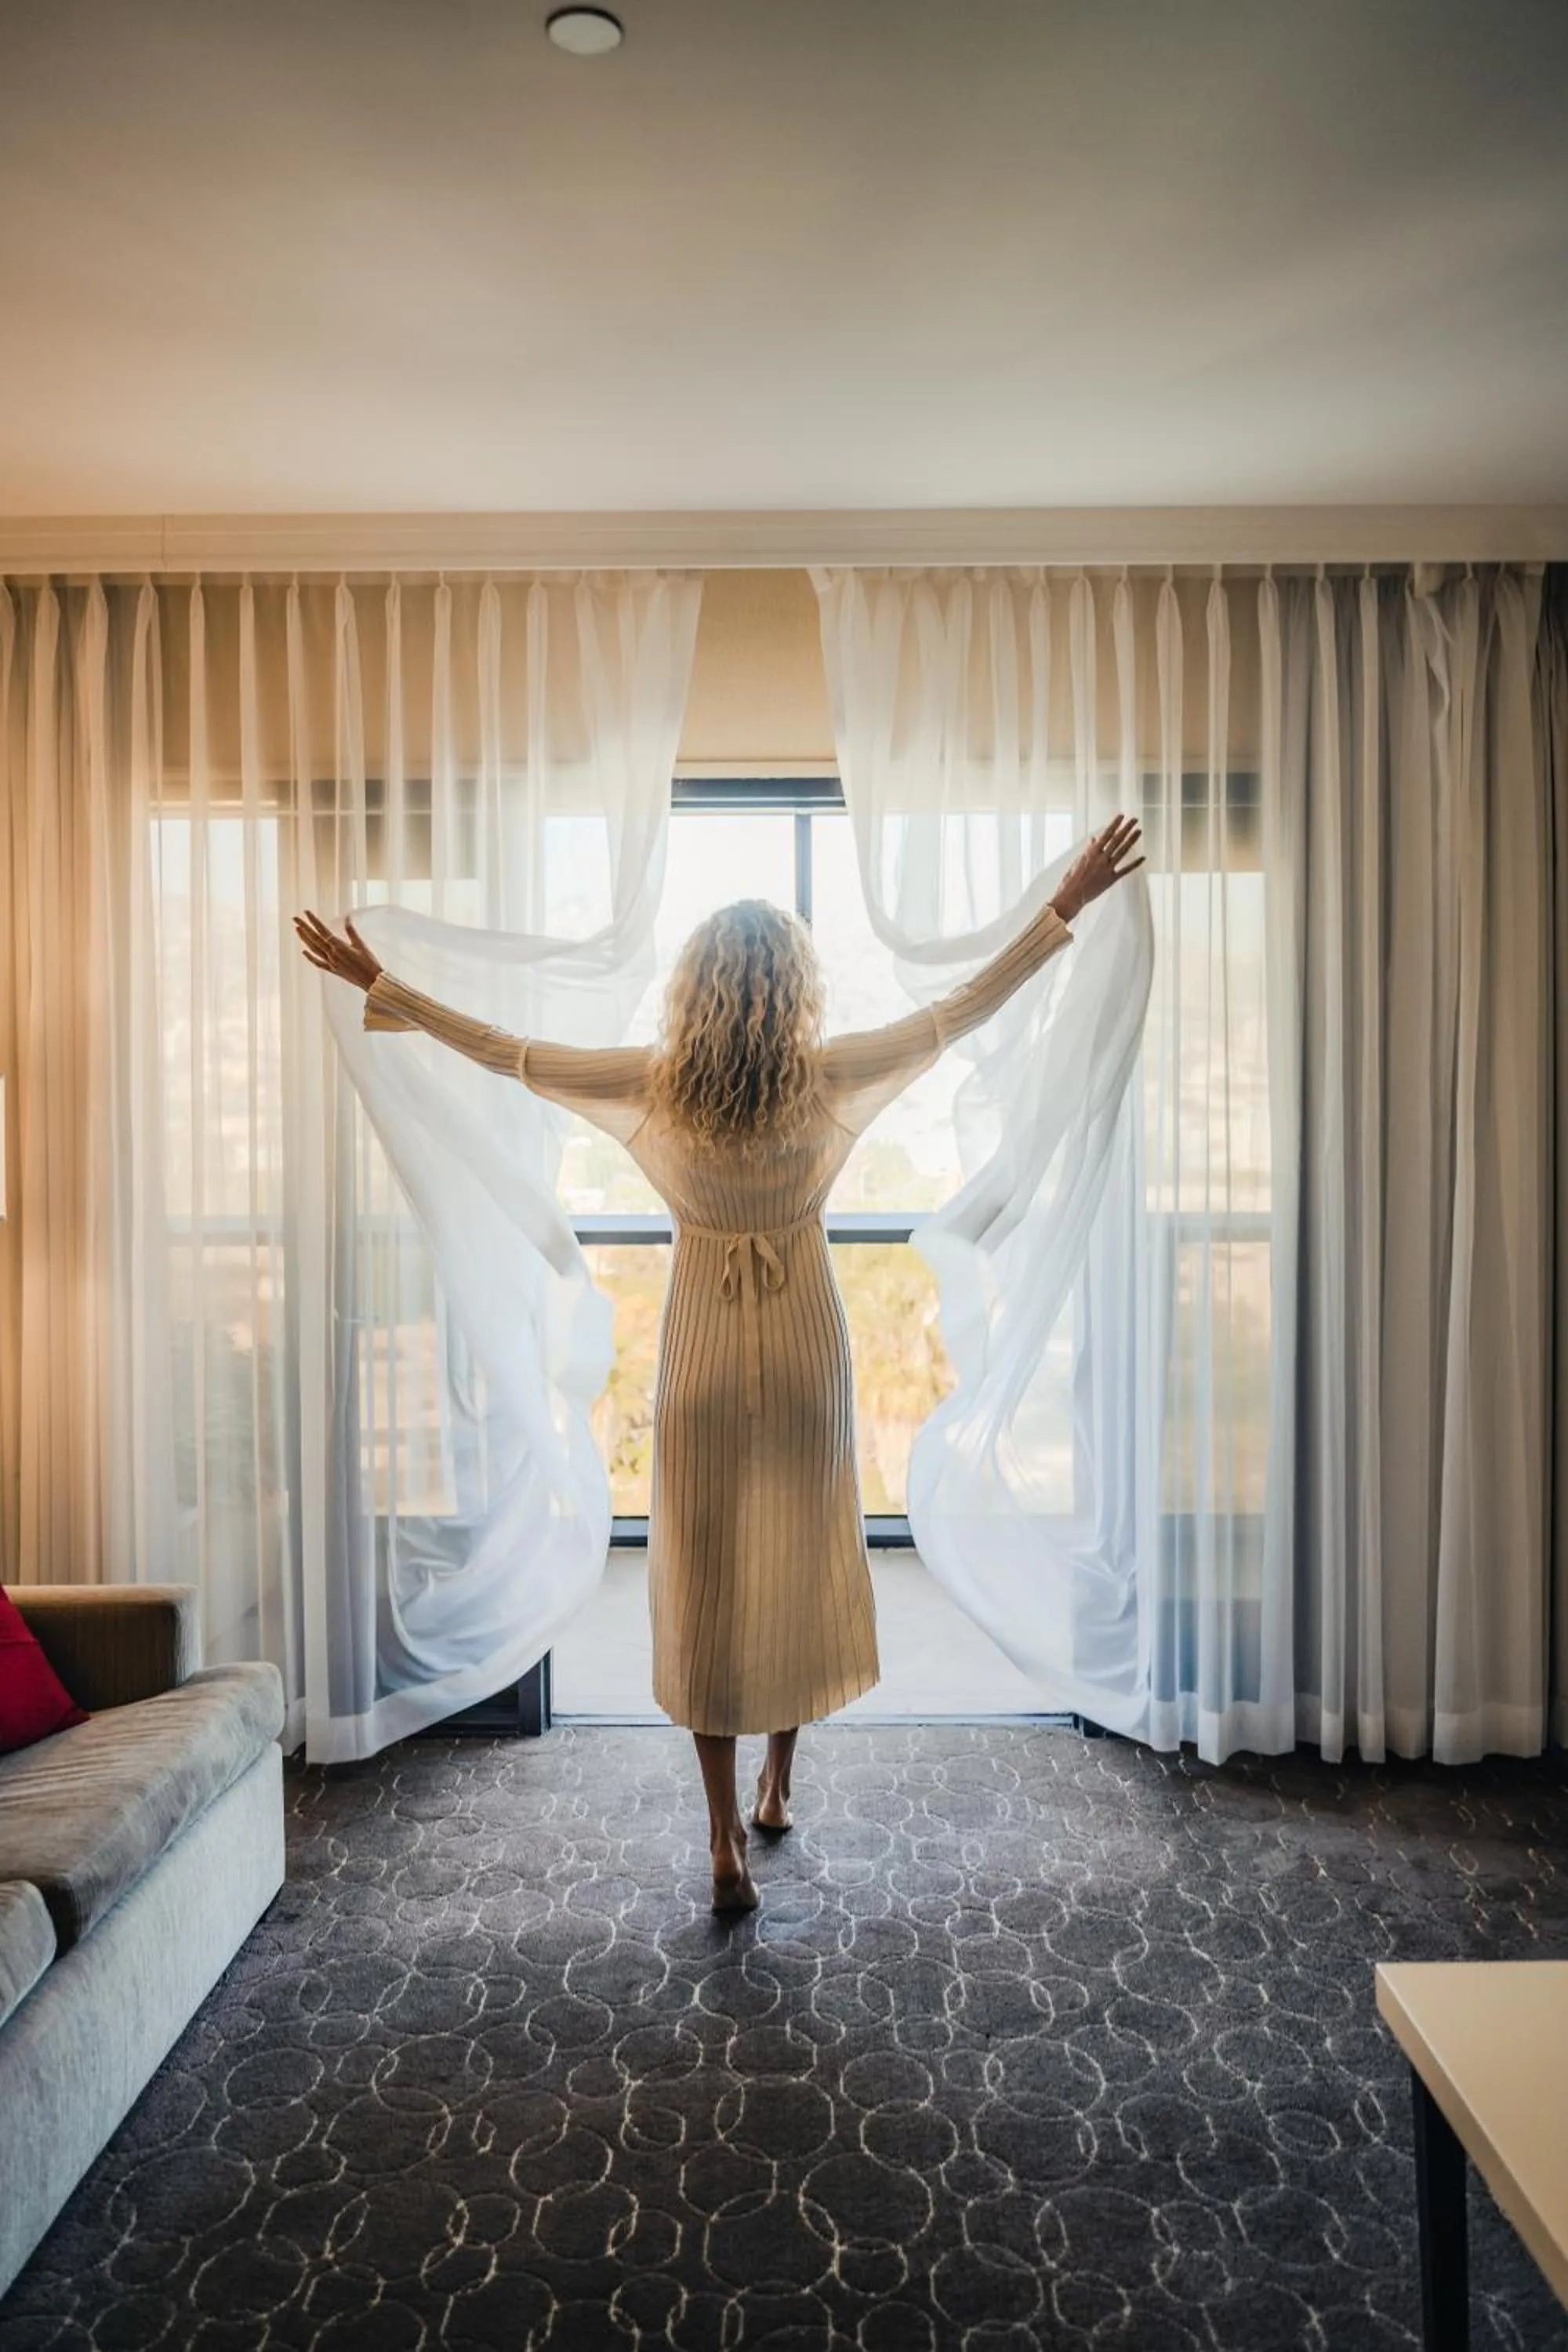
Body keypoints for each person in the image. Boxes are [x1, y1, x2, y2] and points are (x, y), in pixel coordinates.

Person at [296, 813, 1144, 1912]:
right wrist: (1063, 906)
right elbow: (957, 1013)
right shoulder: (831, 1077)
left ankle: (718, 1840)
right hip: (805, 1356)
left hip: (697, 1361)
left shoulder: (652, 1087)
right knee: (795, 1566)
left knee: (703, 1588)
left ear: (695, 991)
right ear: (793, 990)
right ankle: (779, 1788)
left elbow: (509, 1053)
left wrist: (387, 984)